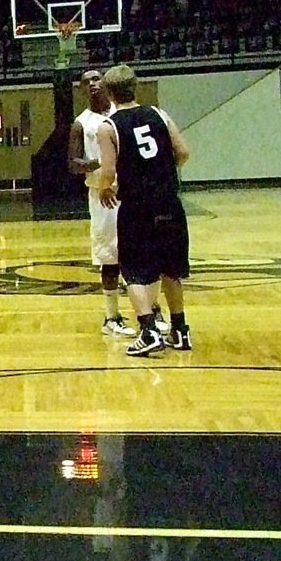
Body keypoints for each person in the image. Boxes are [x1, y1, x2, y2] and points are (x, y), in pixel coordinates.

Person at [96, 64, 191, 357]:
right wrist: (159, 172)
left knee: (134, 271)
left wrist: (104, 188)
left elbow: (108, 170)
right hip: (169, 202)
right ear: (135, 87)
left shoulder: (108, 126)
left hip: (138, 206)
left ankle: (148, 330)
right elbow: (183, 152)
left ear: (110, 93)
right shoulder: (159, 114)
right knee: (170, 269)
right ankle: (180, 330)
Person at [68, 70, 134, 338]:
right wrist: (99, 163)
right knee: (109, 256)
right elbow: (72, 164)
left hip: (130, 190)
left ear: (106, 84)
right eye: (87, 82)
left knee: (139, 252)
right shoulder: (81, 124)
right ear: (82, 89)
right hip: (101, 195)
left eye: (96, 79)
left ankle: (150, 311)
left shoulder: (121, 114)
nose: (92, 84)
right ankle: (111, 317)